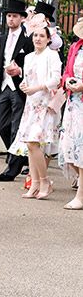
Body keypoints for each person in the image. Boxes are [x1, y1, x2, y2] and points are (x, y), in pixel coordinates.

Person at [9, 26, 61, 199]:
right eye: (36, 35)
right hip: (31, 104)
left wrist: (36, 88)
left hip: (45, 104)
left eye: (42, 36)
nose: (38, 38)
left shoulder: (52, 55)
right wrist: (24, 85)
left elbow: (55, 79)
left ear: (48, 39)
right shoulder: (29, 57)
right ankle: (35, 183)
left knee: (34, 142)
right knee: (30, 145)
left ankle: (45, 181)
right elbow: (27, 79)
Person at [0, 0, 34, 181]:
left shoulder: (28, 40)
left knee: (16, 128)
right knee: (2, 125)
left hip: (19, 87)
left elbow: (33, 64)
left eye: (14, 16)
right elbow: (0, 66)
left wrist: (20, 71)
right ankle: (18, 154)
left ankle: (12, 169)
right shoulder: (1, 39)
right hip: (3, 87)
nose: (10, 19)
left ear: (22, 18)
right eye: (9, 16)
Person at [58, 17, 83, 210]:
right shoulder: (76, 46)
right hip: (73, 103)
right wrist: (67, 81)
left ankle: (80, 196)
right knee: (68, 147)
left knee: (81, 148)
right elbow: (66, 71)